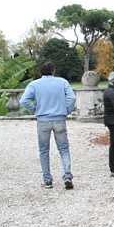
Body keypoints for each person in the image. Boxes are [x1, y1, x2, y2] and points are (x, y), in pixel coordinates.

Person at [20, 61, 76, 189]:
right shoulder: (62, 82)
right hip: (59, 119)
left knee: (44, 150)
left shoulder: (34, 84)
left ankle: (47, 180)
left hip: (43, 120)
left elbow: (24, 100)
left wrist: (36, 110)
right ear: (53, 71)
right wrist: (66, 110)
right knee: (64, 149)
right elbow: (72, 98)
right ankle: (67, 174)